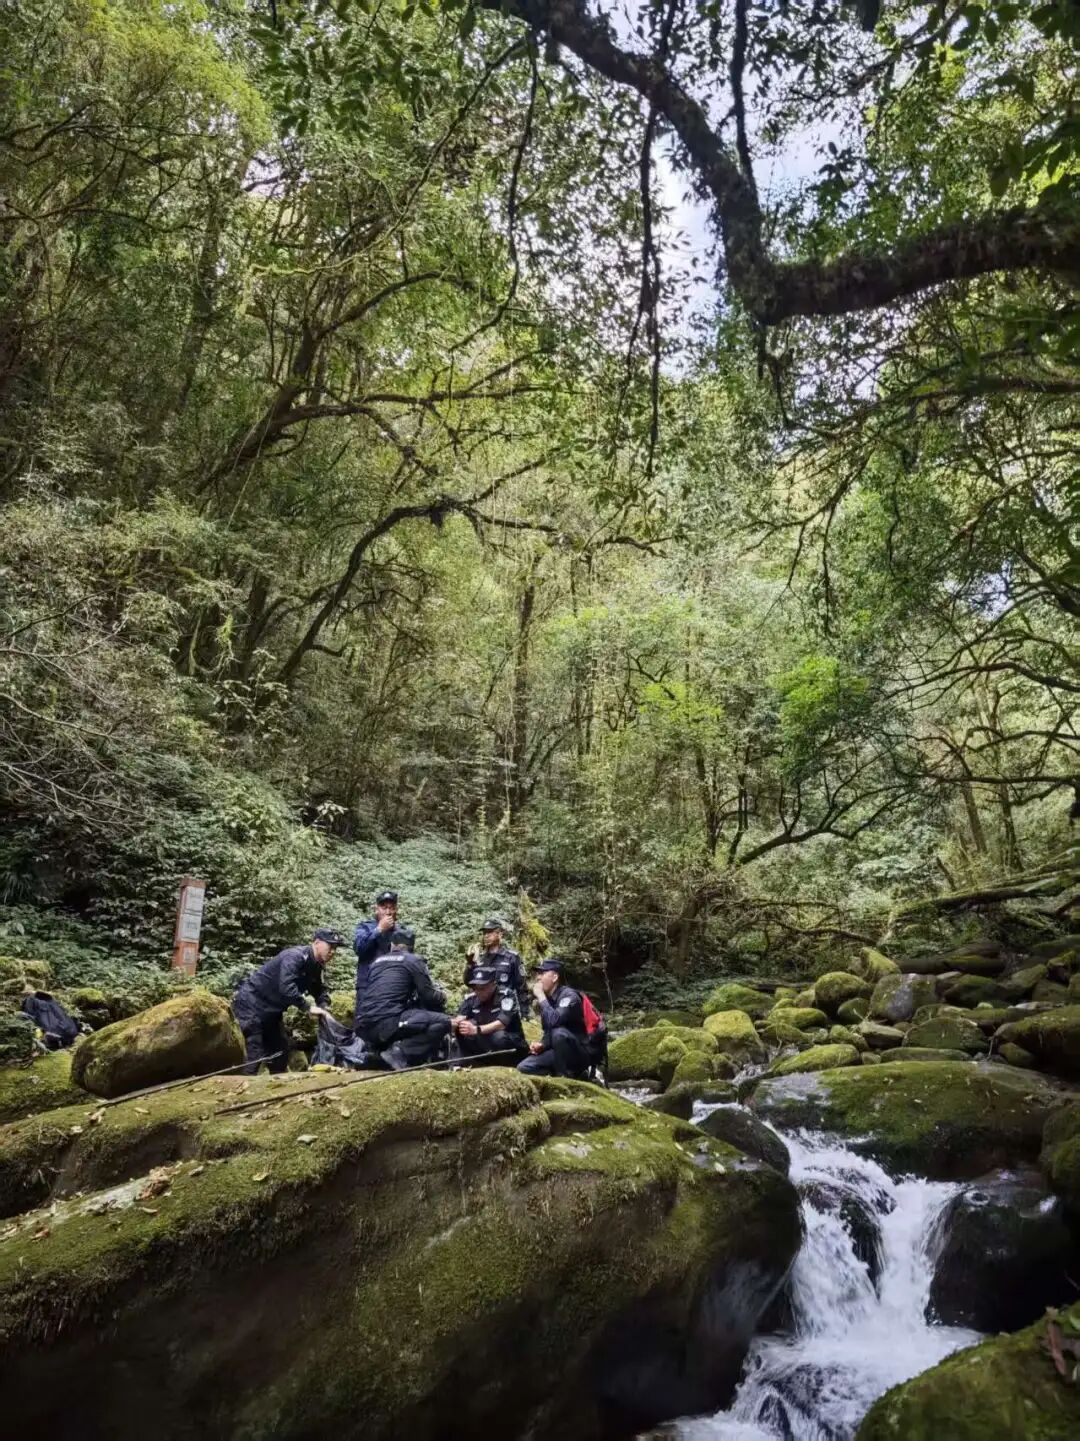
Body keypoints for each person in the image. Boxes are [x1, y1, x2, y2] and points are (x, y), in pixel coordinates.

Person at [232, 928, 343, 1075]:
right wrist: (307, 1007)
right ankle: (242, 1087)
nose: (332, 952)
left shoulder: (317, 965)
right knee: (255, 1052)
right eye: (330, 946)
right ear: (317, 943)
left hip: (273, 1010)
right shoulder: (295, 957)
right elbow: (286, 987)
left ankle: (276, 1086)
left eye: (335, 948)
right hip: (251, 1002)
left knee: (280, 1052)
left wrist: (324, 1006)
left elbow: (319, 989)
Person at [355, 926, 450, 1070]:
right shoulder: (412, 960)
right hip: (388, 1022)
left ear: (392, 944)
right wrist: (443, 996)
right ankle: (400, 1053)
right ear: (412, 946)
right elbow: (429, 996)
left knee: (406, 1014)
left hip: (365, 1026)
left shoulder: (376, 963)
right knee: (443, 1021)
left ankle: (379, 1054)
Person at [517, 958, 590, 1079]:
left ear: (555, 977)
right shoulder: (548, 999)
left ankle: (568, 1076)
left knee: (558, 1033)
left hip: (578, 1053)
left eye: (542, 973)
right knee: (524, 1067)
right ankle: (557, 1075)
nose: (538, 978)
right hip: (557, 1051)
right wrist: (542, 1045)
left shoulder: (570, 996)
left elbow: (554, 1021)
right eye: (538, 974)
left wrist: (540, 996)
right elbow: (548, 1030)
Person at [450, 965, 528, 1066]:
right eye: (476, 988)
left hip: (510, 1041)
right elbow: (460, 1017)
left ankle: (507, 1064)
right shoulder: (472, 997)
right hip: (485, 1040)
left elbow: (502, 1024)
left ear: (493, 984)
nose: (479, 992)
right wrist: (455, 1024)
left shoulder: (506, 995)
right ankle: (468, 1060)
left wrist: (476, 1029)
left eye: (483, 988)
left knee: (499, 1037)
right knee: (462, 1027)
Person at [463, 918, 530, 1019]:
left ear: (500, 934)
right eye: (484, 933)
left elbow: (521, 986)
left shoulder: (511, 957)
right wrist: (470, 965)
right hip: (482, 1008)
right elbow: (469, 983)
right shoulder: (479, 958)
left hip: (504, 1008)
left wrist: (524, 1013)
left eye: (490, 932)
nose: (486, 936)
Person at [353, 889, 399, 1023]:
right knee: (363, 1024)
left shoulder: (401, 931)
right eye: (384, 908)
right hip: (367, 985)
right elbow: (359, 949)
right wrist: (379, 929)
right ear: (376, 909)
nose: (388, 912)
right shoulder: (365, 927)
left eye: (392, 908)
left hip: (392, 986)